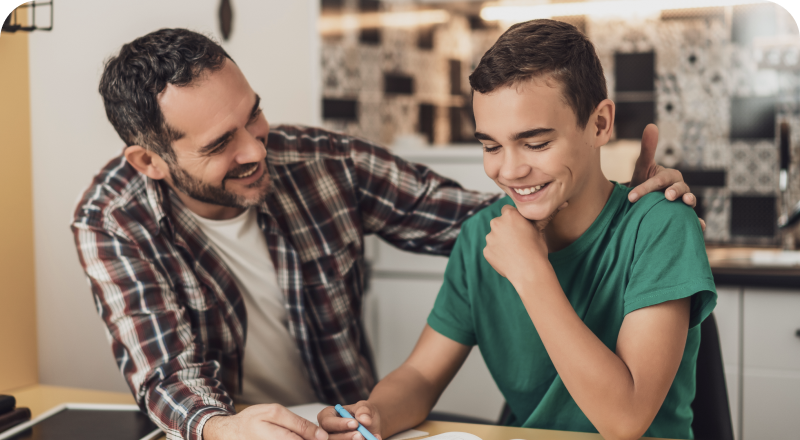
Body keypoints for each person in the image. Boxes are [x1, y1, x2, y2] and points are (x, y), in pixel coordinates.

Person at [72, 28, 699, 440]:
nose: (255, 148)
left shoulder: (324, 162)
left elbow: (495, 210)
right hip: (234, 430)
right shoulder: (110, 220)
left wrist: (622, 201)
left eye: (253, 115)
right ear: (150, 162)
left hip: (341, 420)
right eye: (218, 144)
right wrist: (221, 427)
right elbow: (164, 373)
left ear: (600, 122)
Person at [318, 19, 716, 440]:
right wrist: (372, 414)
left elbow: (625, 420)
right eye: (490, 146)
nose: (508, 170)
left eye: (537, 143)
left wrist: (531, 272)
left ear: (599, 124)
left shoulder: (662, 225)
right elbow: (420, 373)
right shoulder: (480, 237)